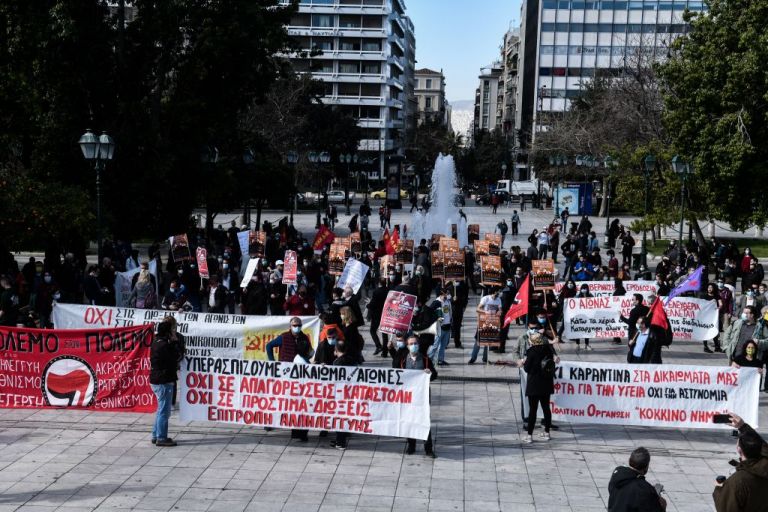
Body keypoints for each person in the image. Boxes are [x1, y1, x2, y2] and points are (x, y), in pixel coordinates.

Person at [713, 413, 768, 512]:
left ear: (739, 449)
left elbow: (725, 508)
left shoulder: (738, 482)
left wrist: (719, 490)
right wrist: (742, 426)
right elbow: (762, 446)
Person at [149, 320, 185, 447]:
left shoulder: (156, 342)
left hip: (158, 379)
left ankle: (156, 435)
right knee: (164, 411)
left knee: (161, 410)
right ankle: (161, 438)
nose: (174, 332)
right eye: (172, 330)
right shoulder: (164, 345)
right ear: (168, 332)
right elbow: (176, 357)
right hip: (163, 381)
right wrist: (175, 342)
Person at [401, 335, 437, 457]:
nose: (414, 345)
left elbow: (434, 374)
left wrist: (429, 373)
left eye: (415, 343)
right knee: (410, 420)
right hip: (408, 396)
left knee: (424, 421)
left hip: (423, 397)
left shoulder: (426, 359)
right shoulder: (403, 360)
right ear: (407, 346)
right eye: (411, 344)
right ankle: (411, 445)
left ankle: (428, 449)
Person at [607, 447, 667, 511]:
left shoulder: (617, 473)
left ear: (630, 460)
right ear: (646, 467)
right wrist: (662, 506)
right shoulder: (645, 489)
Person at [522, 333, 556, 443]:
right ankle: (546, 433)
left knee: (533, 410)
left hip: (534, 385)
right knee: (546, 408)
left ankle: (529, 435)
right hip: (546, 383)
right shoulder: (549, 350)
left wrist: (524, 362)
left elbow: (527, 368)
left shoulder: (531, 352)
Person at [331, 340, 358, 450]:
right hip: (350, 392)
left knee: (339, 418)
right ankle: (340, 438)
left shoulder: (337, 363)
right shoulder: (352, 360)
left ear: (336, 350)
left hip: (340, 394)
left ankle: (340, 442)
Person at [468, 288, 502, 364]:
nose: (497, 295)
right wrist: (486, 312)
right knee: (479, 340)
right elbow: (478, 309)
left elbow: (500, 309)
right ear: (492, 293)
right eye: (496, 293)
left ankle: (485, 358)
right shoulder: (486, 298)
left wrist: (499, 312)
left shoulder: (498, 300)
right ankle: (473, 358)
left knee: (488, 340)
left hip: (493, 322)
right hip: (483, 321)